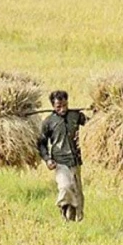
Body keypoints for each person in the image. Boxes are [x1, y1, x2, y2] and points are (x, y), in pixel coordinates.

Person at [38, 91, 87, 222]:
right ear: (53, 106)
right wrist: (47, 159)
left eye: (65, 105)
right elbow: (42, 143)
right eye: (59, 107)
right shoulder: (48, 122)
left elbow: (91, 124)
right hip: (60, 162)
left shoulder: (76, 116)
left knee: (76, 192)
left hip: (75, 161)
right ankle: (63, 211)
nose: (63, 109)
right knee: (65, 187)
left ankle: (73, 220)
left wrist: (98, 111)